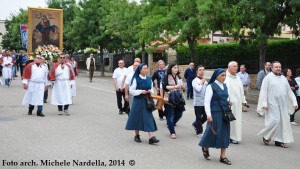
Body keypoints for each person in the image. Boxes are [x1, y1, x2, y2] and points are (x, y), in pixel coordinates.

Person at [257, 61, 298, 148]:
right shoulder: (268, 78)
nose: (278, 68)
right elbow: (263, 91)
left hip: (283, 104)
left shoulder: (283, 78)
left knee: (283, 122)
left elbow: (289, 91)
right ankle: (266, 135)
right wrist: (264, 103)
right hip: (272, 103)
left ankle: (279, 140)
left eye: (279, 67)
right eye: (276, 67)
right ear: (272, 68)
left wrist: (294, 102)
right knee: (276, 120)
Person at [199, 68, 232, 165]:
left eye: (225, 75)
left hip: (225, 113)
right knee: (211, 132)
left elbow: (225, 97)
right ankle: (205, 148)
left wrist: (228, 102)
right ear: (216, 76)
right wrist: (208, 115)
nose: (224, 77)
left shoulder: (225, 86)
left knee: (224, 134)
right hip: (214, 113)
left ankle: (223, 156)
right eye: (222, 75)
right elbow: (207, 102)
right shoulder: (211, 86)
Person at [125, 63, 159, 145]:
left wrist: (150, 91)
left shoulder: (148, 79)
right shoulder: (135, 79)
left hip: (147, 101)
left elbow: (152, 89)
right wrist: (141, 91)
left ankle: (151, 137)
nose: (146, 70)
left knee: (149, 117)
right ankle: (137, 135)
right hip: (138, 101)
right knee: (137, 118)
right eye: (145, 68)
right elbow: (131, 91)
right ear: (140, 70)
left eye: (147, 68)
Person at [225, 61, 247, 144]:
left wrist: (243, 100)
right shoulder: (225, 77)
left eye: (236, 66)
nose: (236, 68)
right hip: (230, 103)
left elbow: (241, 90)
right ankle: (228, 136)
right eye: (234, 66)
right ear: (229, 67)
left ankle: (235, 136)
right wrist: (227, 101)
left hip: (237, 104)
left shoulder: (237, 77)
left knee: (237, 121)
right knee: (229, 120)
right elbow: (224, 90)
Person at [162, 63, 186, 139]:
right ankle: (172, 132)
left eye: (177, 67)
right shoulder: (166, 76)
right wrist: (175, 86)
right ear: (170, 68)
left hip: (178, 98)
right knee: (171, 115)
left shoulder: (178, 77)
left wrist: (182, 87)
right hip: (170, 98)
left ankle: (170, 124)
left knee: (180, 113)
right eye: (174, 67)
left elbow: (182, 87)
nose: (176, 69)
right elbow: (165, 87)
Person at [192, 65, 207, 137]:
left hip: (205, 102)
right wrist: (201, 82)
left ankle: (195, 124)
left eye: (203, 70)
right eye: (200, 70)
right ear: (197, 71)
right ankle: (199, 132)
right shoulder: (194, 80)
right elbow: (198, 90)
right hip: (198, 102)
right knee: (198, 117)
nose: (202, 71)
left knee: (206, 116)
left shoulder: (205, 80)